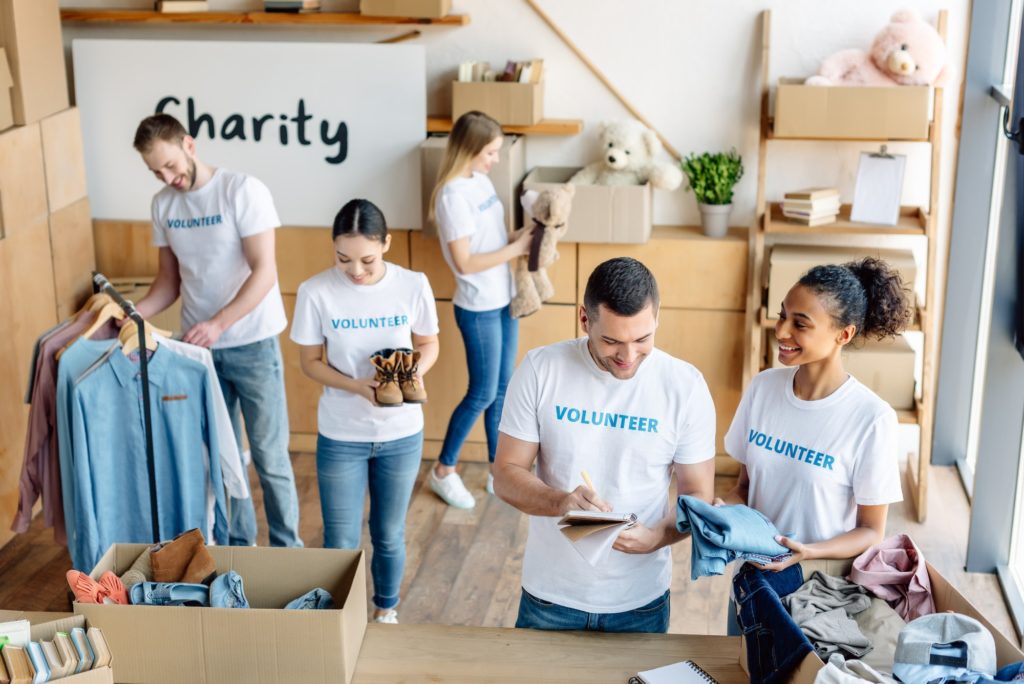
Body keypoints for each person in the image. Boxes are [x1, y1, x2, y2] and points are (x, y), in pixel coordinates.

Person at [493, 257, 717, 633]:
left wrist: (656, 538)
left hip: (640, 600)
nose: (628, 357)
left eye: (642, 340)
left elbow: (698, 495)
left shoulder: (685, 386)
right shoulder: (541, 369)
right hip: (550, 596)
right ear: (585, 319)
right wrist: (561, 502)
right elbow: (505, 474)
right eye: (611, 341)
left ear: (657, 317)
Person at [132, 113, 302, 548]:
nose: (167, 177)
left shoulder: (241, 191)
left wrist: (218, 323)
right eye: (155, 171)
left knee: (269, 456)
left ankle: (287, 552)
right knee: (224, 457)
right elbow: (168, 284)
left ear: (189, 145)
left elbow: (265, 273)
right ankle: (238, 551)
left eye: (170, 165)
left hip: (252, 343)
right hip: (200, 350)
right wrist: (130, 313)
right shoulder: (163, 206)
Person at [719, 257, 909, 630]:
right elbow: (744, 488)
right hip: (751, 585)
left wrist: (808, 551)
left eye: (800, 324)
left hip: (817, 596)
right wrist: (718, 512)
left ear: (844, 334)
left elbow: (872, 531)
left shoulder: (872, 418)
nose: (782, 331)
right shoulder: (763, 388)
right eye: (783, 315)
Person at [290, 199, 439, 624]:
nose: (356, 270)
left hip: (401, 432)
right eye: (343, 259)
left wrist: (409, 371)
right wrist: (358, 386)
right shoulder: (315, 291)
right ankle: (345, 616)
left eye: (368, 261)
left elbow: (429, 344)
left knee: (389, 535)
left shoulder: (413, 284)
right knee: (339, 539)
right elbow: (310, 362)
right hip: (341, 433)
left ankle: (385, 610)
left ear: (387, 244)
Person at [427, 110, 533, 509]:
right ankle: (443, 470)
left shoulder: (481, 181)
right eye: (491, 152)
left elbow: (490, 239)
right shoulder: (452, 196)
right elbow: (466, 262)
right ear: (470, 150)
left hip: (503, 298)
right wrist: (516, 248)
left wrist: (518, 237)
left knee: (503, 392)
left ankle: (498, 471)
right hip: (478, 308)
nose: (496, 159)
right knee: (482, 393)